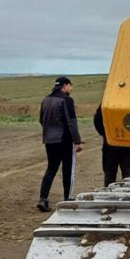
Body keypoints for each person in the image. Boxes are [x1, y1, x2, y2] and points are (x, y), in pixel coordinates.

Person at [37, 77, 83, 211]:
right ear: (65, 86)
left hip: (49, 140)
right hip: (64, 140)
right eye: (70, 85)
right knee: (67, 169)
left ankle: (43, 198)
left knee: (51, 168)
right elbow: (72, 122)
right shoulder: (67, 100)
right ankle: (67, 198)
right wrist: (77, 141)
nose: (71, 88)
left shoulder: (45, 100)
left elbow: (41, 120)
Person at [94, 104, 130, 187]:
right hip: (129, 144)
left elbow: (97, 120)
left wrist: (106, 134)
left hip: (111, 145)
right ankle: (127, 195)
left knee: (110, 175)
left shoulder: (108, 101)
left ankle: (108, 195)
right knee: (128, 174)